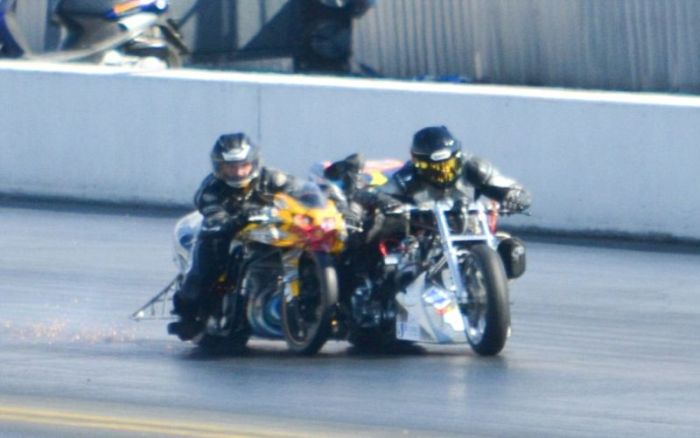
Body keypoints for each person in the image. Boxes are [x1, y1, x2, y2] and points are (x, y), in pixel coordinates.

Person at [169, 132, 294, 340]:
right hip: (228, 233)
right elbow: (212, 212)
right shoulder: (211, 188)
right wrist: (232, 219)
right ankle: (187, 313)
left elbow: (301, 193)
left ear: (253, 163)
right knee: (208, 263)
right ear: (220, 167)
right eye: (230, 167)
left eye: (242, 165)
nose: (237, 172)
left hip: (273, 233)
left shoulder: (273, 179)